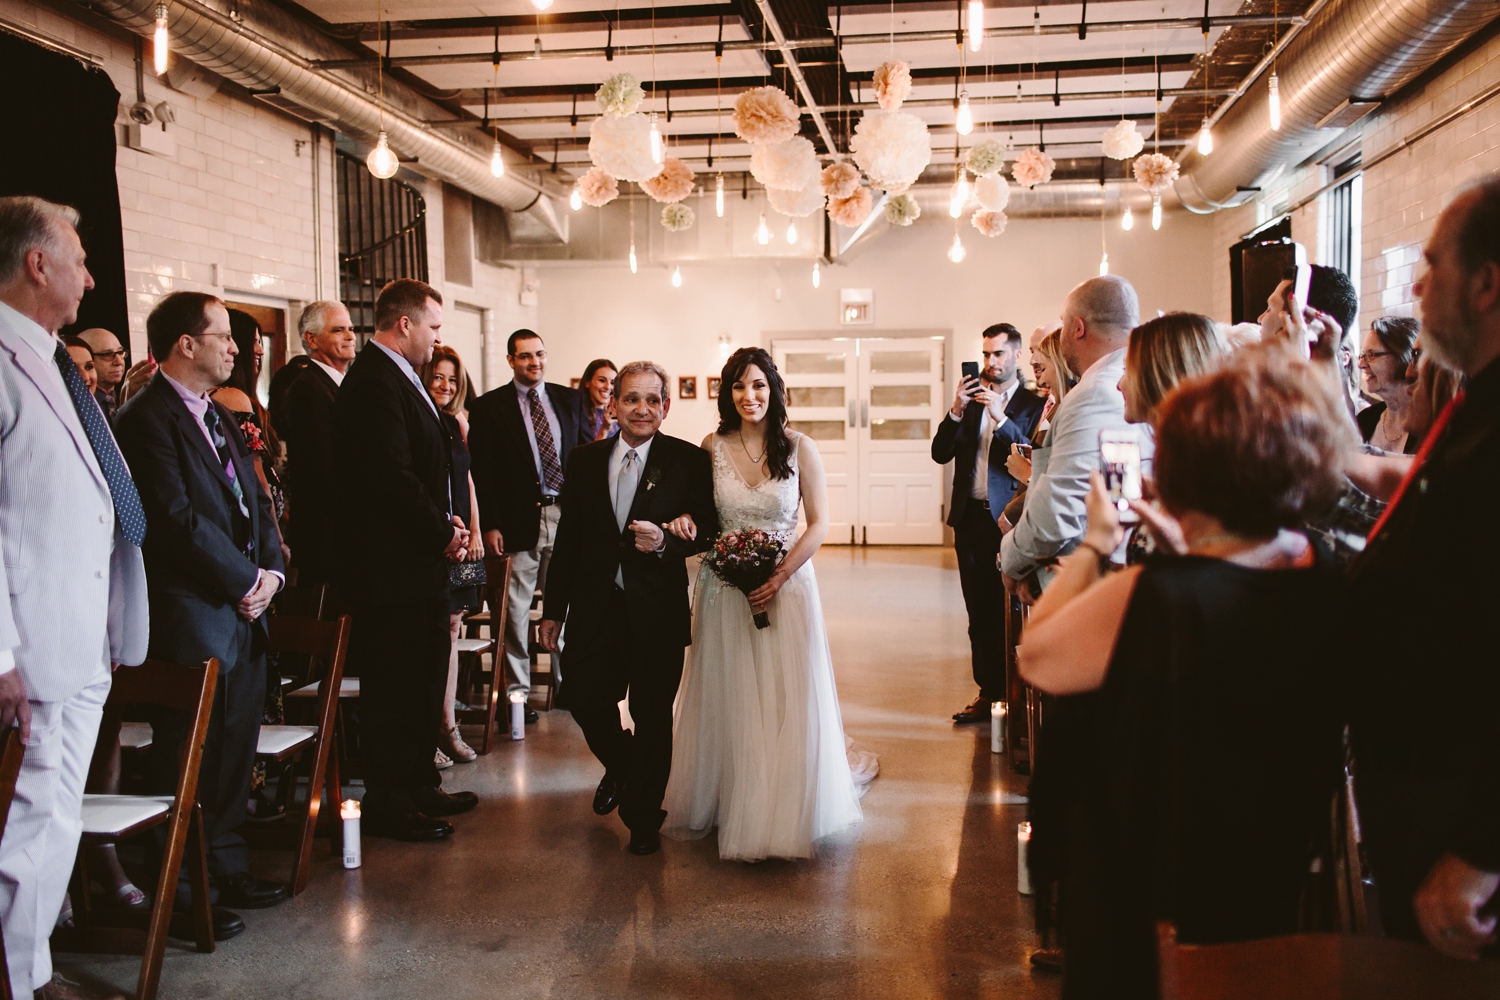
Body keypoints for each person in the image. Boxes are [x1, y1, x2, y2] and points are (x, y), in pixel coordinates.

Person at [1019, 348, 1353, 999]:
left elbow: (1041, 655)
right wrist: (1187, 551)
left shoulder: (1157, 594)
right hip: (1271, 849)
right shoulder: (1324, 568)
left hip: (1152, 870)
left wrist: (1095, 542)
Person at [1348, 176, 1500, 962]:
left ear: (1485, 283)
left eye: (1432, 263)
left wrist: (1480, 849)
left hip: (1460, 806)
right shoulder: (1475, 406)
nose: (1415, 283)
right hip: (1419, 783)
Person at [0, 196, 148, 1000]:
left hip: (81, 635)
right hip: (30, 644)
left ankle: (33, 968)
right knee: (31, 823)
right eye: (80, 260)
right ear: (36, 264)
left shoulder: (55, 359)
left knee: (54, 818)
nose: (91, 278)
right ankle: (21, 982)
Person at [114, 291, 289, 942]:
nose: (235, 347)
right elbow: (174, 521)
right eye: (222, 336)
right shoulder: (145, 418)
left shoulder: (216, 414)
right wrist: (244, 579)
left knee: (234, 749)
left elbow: (254, 498)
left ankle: (226, 863)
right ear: (185, 344)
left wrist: (269, 573)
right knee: (190, 754)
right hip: (192, 609)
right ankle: (184, 886)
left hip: (243, 606)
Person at [662, 347, 878, 861]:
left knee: (785, 692)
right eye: (739, 386)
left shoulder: (800, 447)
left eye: (758, 385)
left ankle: (784, 803)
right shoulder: (711, 445)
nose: (749, 396)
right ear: (727, 393)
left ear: (774, 390)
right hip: (724, 590)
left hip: (789, 586)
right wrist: (686, 524)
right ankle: (731, 796)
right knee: (730, 691)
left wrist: (779, 576)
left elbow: (820, 523)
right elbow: (698, 513)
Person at [539, 361, 715, 857]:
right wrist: (553, 611)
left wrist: (666, 541)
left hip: (656, 612)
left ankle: (643, 819)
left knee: (652, 715)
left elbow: (709, 528)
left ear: (665, 406)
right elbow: (568, 539)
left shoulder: (686, 461)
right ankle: (624, 762)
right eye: (631, 399)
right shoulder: (585, 460)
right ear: (613, 404)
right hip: (595, 610)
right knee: (585, 699)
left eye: (652, 400)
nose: (642, 409)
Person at [333, 279, 476, 842]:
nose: (439, 338)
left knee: (422, 676)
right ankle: (390, 799)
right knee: (394, 687)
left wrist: (450, 522)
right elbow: (390, 477)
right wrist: (442, 530)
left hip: (418, 566)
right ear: (405, 324)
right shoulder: (372, 381)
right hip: (389, 568)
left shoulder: (403, 377)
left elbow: (430, 467)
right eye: (434, 327)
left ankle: (419, 781)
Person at [1000, 276, 1153, 603]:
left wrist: (1011, 560)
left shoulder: (1097, 393)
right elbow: (1121, 490)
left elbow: (1061, 506)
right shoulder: (1131, 378)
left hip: (1081, 580)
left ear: (1077, 328)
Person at [930, 324, 1045, 725]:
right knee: (978, 612)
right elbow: (940, 453)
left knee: (1011, 609)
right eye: (985, 355)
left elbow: (1032, 456)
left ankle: (1018, 694)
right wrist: (956, 411)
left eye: (998, 354)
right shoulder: (972, 401)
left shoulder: (1034, 405)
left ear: (1016, 356)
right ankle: (988, 692)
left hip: (1008, 521)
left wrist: (1002, 419)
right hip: (969, 520)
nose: (990, 362)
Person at [469, 330, 588, 716]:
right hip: (518, 523)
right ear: (510, 361)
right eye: (524, 356)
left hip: (566, 516)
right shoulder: (490, 407)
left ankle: (567, 688)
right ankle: (518, 699)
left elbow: (584, 459)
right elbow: (482, 473)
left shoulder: (570, 400)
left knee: (565, 607)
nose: (533, 362)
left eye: (539, 354)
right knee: (516, 614)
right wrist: (489, 524)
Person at [419, 344, 484, 768]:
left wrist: (476, 530)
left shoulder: (457, 422)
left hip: (465, 543)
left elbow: (468, 479)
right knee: (435, 630)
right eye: (438, 377)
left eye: (452, 379)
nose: (445, 386)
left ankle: (448, 724)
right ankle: (431, 731)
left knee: (456, 626)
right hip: (437, 538)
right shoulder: (420, 421)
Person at [281, 300, 356, 586]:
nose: (350, 336)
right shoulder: (307, 388)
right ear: (311, 339)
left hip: (343, 536)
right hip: (327, 539)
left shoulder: (342, 385)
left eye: (350, 328)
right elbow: (324, 468)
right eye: (338, 330)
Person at [1000, 327, 1076, 535]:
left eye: (1040, 353)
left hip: (1046, 524)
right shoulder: (1053, 404)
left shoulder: (1069, 410)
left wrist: (1025, 473)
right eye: (1032, 351)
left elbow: (1062, 481)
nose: (1033, 361)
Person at [1356, 316, 1421, 453]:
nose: (1361, 364)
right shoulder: (1365, 419)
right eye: (1362, 355)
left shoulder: (1428, 424)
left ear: (1403, 356)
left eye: (1371, 355)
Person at [77, 326, 127, 423]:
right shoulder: (80, 407)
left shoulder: (125, 397)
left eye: (120, 352)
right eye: (107, 354)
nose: (119, 362)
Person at [580, 358, 618, 441]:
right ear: (587, 382)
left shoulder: (617, 412)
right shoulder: (577, 414)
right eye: (602, 380)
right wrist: (604, 429)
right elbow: (585, 453)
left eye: (612, 383)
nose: (608, 387)